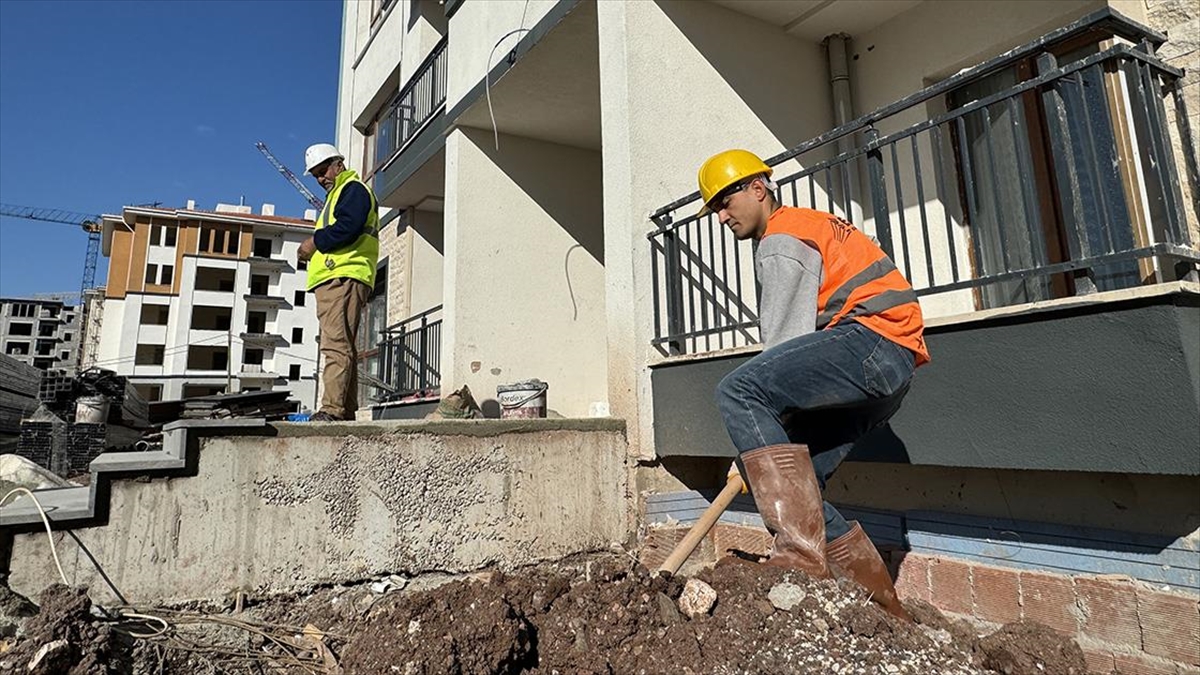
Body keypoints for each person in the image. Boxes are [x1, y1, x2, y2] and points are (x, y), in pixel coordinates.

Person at [701, 149, 929, 619]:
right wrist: (764, 449)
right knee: (803, 490)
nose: (722, 216)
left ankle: (800, 562)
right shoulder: (810, 223)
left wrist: (754, 438)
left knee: (737, 391)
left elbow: (784, 343)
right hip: (892, 367)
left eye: (725, 202)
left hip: (867, 342)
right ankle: (887, 609)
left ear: (757, 189)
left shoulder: (782, 239)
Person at [297, 143, 380, 422]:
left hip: (342, 276)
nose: (322, 179)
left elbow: (349, 226)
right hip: (338, 277)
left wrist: (313, 242)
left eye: (323, 171)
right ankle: (343, 411)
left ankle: (332, 410)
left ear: (338, 164)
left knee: (335, 345)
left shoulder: (352, 189)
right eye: (317, 175)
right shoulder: (341, 194)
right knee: (342, 345)